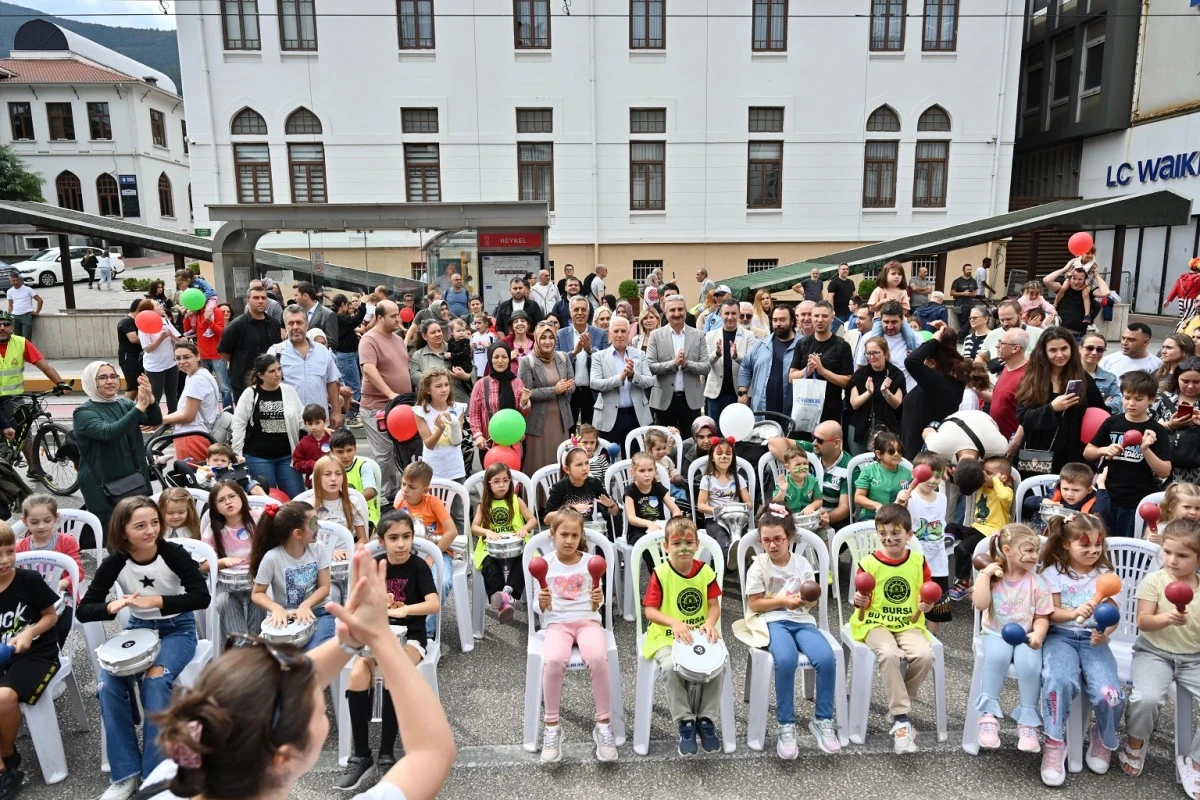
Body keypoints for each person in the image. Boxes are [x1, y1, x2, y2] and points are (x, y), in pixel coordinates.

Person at [76, 496, 209, 800]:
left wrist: (160, 602)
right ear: (123, 532)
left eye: (154, 523)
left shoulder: (171, 552)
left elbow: (201, 597)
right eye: (140, 526)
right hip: (138, 629)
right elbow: (86, 609)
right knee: (107, 683)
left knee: (155, 679)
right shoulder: (116, 560)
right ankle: (125, 775)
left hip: (179, 628)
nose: (151, 530)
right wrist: (112, 605)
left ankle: (153, 776)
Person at [337, 511, 439, 790]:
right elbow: (361, 605)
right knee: (358, 673)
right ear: (381, 541)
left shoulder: (418, 566)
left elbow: (434, 604)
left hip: (412, 638)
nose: (401, 544)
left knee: (393, 672)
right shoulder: (377, 565)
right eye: (393, 538)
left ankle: (385, 753)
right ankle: (361, 754)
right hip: (379, 635)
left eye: (406, 537)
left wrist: (405, 609)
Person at [744, 506, 840, 758]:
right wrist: (784, 601)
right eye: (766, 540)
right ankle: (785, 724)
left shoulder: (802, 563)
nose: (772, 545)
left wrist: (806, 601)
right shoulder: (759, 566)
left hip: (802, 621)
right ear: (760, 539)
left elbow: (811, 601)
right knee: (784, 661)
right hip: (772, 620)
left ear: (790, 537)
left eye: (778, 539)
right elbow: (754, 604)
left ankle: (822, 720)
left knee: (827, 659)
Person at [1036, 512, 1122, 787]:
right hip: (1061, 636)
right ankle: (1054, 741)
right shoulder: (1053, 574)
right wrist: (1073, 614)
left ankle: (1103, 736)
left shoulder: (1106, 575)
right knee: (1057, 681)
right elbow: (1051, 613)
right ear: (1065, 544)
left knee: (1109, 693)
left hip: (1094, 640)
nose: (1093, 551)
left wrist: (1105, 632)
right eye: (1084, 545)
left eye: (1097, 545)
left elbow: (1113, 614)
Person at [1120, 518, 1200, 787]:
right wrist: (1167, 618)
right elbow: (1143, 622)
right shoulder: (1154, 580)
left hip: (1194, 658)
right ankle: (1135, 740)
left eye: (1183, 555)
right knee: (1146, 698)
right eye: (1167, 552)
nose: (1173, 560)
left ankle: (1196, 761)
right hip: (1153, 652)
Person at [849, 503, 935, 754]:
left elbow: (927, 591)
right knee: (889, 654)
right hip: (874, 622)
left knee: (925, 655)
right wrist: (859, 601)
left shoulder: (918, 561)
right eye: (883, 533)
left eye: (896, 534)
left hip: (908, 622)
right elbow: (859, 596)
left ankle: (900, 703)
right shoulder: (868, 562)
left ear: (909, 535)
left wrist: (926, 605)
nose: (889, 539)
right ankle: (901, 719)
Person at [642, 516, 725, 755]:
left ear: (697, 544)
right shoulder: (660, 573)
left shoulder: (705, 572)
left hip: (698, 633)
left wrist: (710, 623)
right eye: (677, 543)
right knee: (670, 667)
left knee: (719, 664)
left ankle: (706, 719)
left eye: (689, 542)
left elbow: (713, 605)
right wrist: (674, 622)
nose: (684, 548)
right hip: (665, 635)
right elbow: (650, 611)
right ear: (666, 547)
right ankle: (685, 721)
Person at [970, 523, 1052, 751]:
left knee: (1030, 664)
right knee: (996, 657)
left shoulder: (1037, 582)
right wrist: (985, 574)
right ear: (1007, 550)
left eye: (1036, 551)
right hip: (995, 632)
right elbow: (980, 604)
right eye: (1028, 550)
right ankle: (988, 715)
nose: (1034, 556)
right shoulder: (994, 578)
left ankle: (1027, 720)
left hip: (1026, 634)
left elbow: (1042, 616)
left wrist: (1038, 634)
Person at [0, 522, 66, 796]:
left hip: (37, 654)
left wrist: (29, 632)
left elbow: (51, 616)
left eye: (10, 551)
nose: (5, 560)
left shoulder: (28, 580)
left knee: (3, 698)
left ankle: (7, 757)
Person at [1083, 371, 1171, 537]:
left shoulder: (1157, 430)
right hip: (1107, 495)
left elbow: (1164, 471)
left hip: (1137, 499)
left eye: (1138, 399)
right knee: (1103, 542)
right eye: (1127, 397)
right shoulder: (1112, 422)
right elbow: (1088, 452)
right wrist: (1104, 449)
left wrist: (1146, 449)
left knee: (1128, 545)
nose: (1131, 403)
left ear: (1151, 400)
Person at [73, 362, 154, 540]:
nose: (110, 381)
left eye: (113, 376)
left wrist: (150, 399)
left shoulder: (124, 404)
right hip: (102, 484)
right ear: (90, 382)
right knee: (116, 538)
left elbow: (153, 419)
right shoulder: (83, 413)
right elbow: (109, 432)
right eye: (102, 377)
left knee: (141, 533)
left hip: (133, 480)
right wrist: (139, 407)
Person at [1015, 327, 1106, 475]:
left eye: (1064, 348)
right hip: (1036, 454)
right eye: (1053, 350)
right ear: (1043, 352)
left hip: (1072, 454)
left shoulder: (1082, 379)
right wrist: (1052, 408)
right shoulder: (1033, 379)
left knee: (1068, 495)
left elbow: (1100, 413)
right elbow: (1024, 417)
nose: (1060, 355)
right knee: (1036, 494)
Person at [249, 499, 335, 653]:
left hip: (319, 612)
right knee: (277, 659)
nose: (318, 527)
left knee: (313, 656)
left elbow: (325, 587)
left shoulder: (318, 549)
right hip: (286, 617)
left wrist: (305, 605)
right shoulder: (272, 558)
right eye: (314, 523)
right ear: (297, 533)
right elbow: (257, 593)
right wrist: (276, 609)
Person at [391, 461, 456, 639]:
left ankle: (426, 634)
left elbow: (452, 532)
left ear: (425, 490)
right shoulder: (400, 503)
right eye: (403, 484)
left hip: (439, 553)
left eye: (411, 487)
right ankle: (401, 625)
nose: (405, 489)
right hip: (409, 555)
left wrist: (431, 556)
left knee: (440, 584)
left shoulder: (433, 502)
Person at [358, 300, 412, 501]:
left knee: (398, 454)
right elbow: (369, 369)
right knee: (383, 456)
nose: (398, 319)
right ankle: (379, 498)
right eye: (393, 316)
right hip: (377, 407)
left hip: (401, 408)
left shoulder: (398, 339)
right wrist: (390, 393)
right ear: (379, 318)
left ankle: (394, 495)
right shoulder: (369, 340)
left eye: (398, 314)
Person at [231, 354, 306, 498]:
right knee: (267, 500)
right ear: (260, 375)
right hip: (258, 457)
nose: (278, 374)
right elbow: (239, 425)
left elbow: (301, 419)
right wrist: (237, 454)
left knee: (297, 498)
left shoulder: (288, 391)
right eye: (272, 371)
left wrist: (320, 429)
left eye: (279, 369)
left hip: (287, 456)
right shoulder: (250, 393)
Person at [471, 462, 537, 623]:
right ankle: (502, 602)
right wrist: (487, 531)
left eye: (505, 480)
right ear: (488, 483)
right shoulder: (484, 505)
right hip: (491, 548)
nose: (502, 485)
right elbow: (474, 527)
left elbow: (532, 520)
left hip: (516, 545)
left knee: (525, 560)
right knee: (489, 564)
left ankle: (505, 593)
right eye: (496, 481)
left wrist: (525, 529)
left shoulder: (516, 500)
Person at [16, 494, 83, 645]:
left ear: (56, 518)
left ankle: (52, 655)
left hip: (65, 596)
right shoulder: (20, 547)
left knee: (62, 624)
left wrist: (62, 583)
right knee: (20, 625)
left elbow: (78, 571)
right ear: (24, 521)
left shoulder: (67, 542)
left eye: (47, 520)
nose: (41, 526)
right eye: (34, 522)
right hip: (32, 598)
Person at [948, 456, 1015, 598]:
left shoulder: (1005, 491)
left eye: (988, 473)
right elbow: (967, 483)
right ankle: (948, 539)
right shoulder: (982, 487)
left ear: (1003, 477)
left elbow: (1005, 497)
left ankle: (963, 581)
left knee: (961, 548)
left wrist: (995, 480)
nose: (984, 476)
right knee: (952, 526)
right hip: (976, 528)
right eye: (983, 472)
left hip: (991, 534)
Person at [900, 453, 951, 633]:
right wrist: (900, 501)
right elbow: (894, 516)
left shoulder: (942, 499)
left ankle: (932, 638)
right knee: (913, 601)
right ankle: (909, 632)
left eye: (937, 475)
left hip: (938, 563)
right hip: (915, 562)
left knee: (935, 608)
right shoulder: (909, 497)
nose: (932, 480)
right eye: (927, 475)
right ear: (915, 473)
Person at [519, 322, 575, 476]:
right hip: (538, 423)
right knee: (538, 462)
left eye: (551, 337)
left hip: (561, 420)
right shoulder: (527, 362)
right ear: (536, 339)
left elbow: (572, 383)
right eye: (543, 337)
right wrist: (554, 390)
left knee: (559, 461)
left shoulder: (563, 357)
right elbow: (526, 392)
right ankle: (538, 498)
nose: (547, 341)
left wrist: (567, 388)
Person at [646, 295, 709, 433]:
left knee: (690, 443)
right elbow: (650, 366)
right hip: (664, 400)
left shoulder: (698, 335)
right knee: (664, 443)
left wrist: (687, 364)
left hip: (691, 400)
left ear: (686, 311)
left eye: (680, 309)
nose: (677, 313)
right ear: (666, 313)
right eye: (672, 310)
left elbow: (706, 367)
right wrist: (673, 364)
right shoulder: (656, 335)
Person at [591, 316, 653, 455]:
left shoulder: (639, 354)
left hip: (635, 415)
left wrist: (632, 376)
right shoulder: (599, 356)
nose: (619, 335)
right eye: (616, 331)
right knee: (606, 460)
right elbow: (594, 383)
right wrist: (620, 378)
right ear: (610, 334)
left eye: (623, 331)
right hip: (608, 415)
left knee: (635, 459)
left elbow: (650, 381)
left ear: (628, 334)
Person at [789, 300, 853, 429]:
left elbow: (847, 381)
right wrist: (807, 371)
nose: (820, 320)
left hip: (830, 410)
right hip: (805, 408)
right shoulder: (802, 344)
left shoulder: (842, 346)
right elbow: (791, 377)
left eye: (824, 316)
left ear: (832, 318)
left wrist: (823, 371)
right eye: (816, 316)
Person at [160, 341, 222, 463]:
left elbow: (188, 416)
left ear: (198, 356)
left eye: (186, 357)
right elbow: (184, 411)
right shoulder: (198, 375)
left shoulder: (197, 380)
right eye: (177, 358)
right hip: (197, 434)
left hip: (191, 437)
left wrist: (159, 420)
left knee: (191, 477)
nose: (181, 362)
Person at [219, 285, 282, 400]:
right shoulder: (235, 326)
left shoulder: (274, 324)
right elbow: (224, 351)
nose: (260, 301)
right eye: (256, 298)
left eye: (263, 298)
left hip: (270, 383)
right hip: (244, 384)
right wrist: (241, 361)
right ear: (248, 300)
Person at [469, 341, 532, 457]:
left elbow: (524, 413)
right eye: (496, 357)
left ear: (509, 359)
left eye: (504, 357)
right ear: (490, 359)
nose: (500, 361)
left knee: (515, 475)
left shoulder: (517, 383)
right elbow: (474, 413)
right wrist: (478, 435)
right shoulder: (481, 384)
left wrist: (524, 402)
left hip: (514, 442)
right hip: (489, 444)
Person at [847, 335, 905, 454]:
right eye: (868, 353)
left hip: (887, 428)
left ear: (885, 353)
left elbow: (897, 404)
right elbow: (854, 403)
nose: (871, 357)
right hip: (860, 426)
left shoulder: (896, 374)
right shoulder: (860, 374)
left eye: (876, 353)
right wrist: (868, 393)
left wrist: (885, 392)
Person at [557, 296, 609, 430]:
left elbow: (606, 361)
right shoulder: (560, 334)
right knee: (568, 432)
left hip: (591, 392)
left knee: (591, 433)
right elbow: (556, 361)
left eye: (583, 309)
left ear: (588, 312)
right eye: (576, 309)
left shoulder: (600, 334)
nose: (580, 313)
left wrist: (590, 351)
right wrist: (574, 352)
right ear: (570, 312)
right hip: (569, 392)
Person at [738, 304, 798, 416]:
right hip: (762, 408)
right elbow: (745, 365)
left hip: (792, 410)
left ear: (792, 321)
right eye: (775, 320)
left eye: (783, 320)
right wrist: (743, 392)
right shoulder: (761, 345)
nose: (778, 324)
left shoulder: (803, 345)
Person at [295, 455, 369, 546]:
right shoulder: (308, 505)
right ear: (317, 478)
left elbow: (363, 539)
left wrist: (352, 549)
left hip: (347, 556)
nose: (333, 478)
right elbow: (305, 543)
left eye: (338, 473)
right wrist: (329, 552)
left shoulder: (353, 501)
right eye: (327, 474)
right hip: (319, 556)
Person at [696, 437, 752, 555]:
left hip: (735, 518)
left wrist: (739, 508)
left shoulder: (738, 478)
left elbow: (749, 503)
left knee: (743, 535)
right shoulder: (707, 479)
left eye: (728, 453)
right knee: (723, 536)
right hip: (715, 520)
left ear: (732, 458)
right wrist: (719, 510)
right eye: (719, 453)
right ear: (712, 457)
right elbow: (701, 505)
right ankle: (728, 557)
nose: (724, 457)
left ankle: (742, 559)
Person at [703, 298, 755, 421]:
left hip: (739, 393)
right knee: (716, 433)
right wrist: (716, 353)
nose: (730, 317)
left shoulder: (749, 336)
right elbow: (705, 363)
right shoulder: (710, 335)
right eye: (727, 313)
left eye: (733, 313)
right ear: (721, 314)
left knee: (738, 432)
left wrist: (737, 357)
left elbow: (751, 364)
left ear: (739, 315)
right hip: (716, 394)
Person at [542, 446, 619, 527]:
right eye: (579, 465)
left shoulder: (594, 483)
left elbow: (614, 512)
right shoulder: (559, 487)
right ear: (567, 469)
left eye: (587, 463)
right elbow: (546, 520)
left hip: (587, 529)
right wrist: (570, 510)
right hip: (567, 530)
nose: (585, 468)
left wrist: (611, 505)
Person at [1152, 356, 1200, 484]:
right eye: (1185, 381)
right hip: (1166, 468)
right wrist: (1169, 425)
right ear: (1176, 378)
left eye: (1196, 382)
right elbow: (1143, 426)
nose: (1190, 386)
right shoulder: (1161, 399)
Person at [409, 319, 474, 405]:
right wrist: (437, 379)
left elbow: (473, 369)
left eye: (439, 331)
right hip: (433, 405)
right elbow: (415, 377)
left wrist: (466, 376)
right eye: (433, 332)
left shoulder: (456, 347)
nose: (438, 334)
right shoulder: (418, 356)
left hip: (459, 401)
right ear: (425, 336)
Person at [853, 301, 914, 391]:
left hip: (906, 397)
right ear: (880, 320)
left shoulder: (915, 339)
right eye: (886, 322)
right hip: (875, 396)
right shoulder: (867, 338)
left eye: (894, 322)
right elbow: (860, 368)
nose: (889, 326)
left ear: (902, 320)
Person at [853, 432, 912, 521]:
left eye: (899, 451)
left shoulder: (908, 473)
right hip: (871, 516)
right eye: (891, 451)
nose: (896, 454)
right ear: (879, 454)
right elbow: (858, 497)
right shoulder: (869, 471)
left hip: (899, 517)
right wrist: (877, 506)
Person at [1043, 263, 1110, 339]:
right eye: (1074, 278)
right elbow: (1046, 280)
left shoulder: (1089, 292)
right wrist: (1065, 268)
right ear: (1070, 278)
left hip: (1078, 335)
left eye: (1080, 279)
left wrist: (1096, 275)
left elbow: (1106, 292)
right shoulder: (1062, 289)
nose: (1076, 282)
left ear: (1085, 280)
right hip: (1059, 333)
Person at [329, 294, 365, 427]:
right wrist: (363, 306)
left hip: (348, 354)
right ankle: (351, 415)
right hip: (346, 355)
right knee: (353, 386)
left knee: (353, 383)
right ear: (343, 304)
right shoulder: (339, 317)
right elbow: (355, 321)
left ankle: (351, 414)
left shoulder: (336, 318)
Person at [988, 328, 1029, 441]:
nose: (997, 346)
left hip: (1013, 444)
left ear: (1016, 348)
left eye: (1001, 343)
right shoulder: (1007, 368)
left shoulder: (1028, 376)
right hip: (999, 439)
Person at [977, 300, 1042, 363]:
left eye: (1009, 319)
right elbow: (981, 357)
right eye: (1002, 320)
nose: (1005, 323)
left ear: (1020, 315)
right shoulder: (992, 335)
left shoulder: (1039, 334)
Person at [1080, 332, 1123, 414]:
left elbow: (1117, 405)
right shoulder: (1068, 373)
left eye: (1100, 349)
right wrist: (1103, 405)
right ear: (1080, 348)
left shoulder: (1110, 378)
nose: (1094, 353)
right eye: (1090, 348)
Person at [291, 404, 331, 488]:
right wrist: (312, 464)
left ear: (325, 421)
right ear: (305, 424)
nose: (314, 427)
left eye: (317, 423)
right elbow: (296, 463)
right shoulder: (303, 443)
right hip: (313, 484)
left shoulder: (332, 439)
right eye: (310, 423)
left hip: (333, 480)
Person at [4, 272, 39, 341]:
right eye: (13, 280)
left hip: (26, 316)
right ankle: (20, 352)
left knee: (26, 339)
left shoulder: (28, 289)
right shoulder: (9, 291)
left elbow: (40, 300)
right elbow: (10, 305)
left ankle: (27, 351)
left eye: (17, 280)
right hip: (15, 316)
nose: (15, 282)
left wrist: (37, 312)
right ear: (10, 281)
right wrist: (8, 317)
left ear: (20, 280)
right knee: (17, 339)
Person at [950, 264, 980, 332]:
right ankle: (963, 337)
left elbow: (975, 293)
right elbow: (952, 293)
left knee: (973, 318)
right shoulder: (957, 281)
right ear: (963, 270)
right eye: (968, 269)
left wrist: (973, 294)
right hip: (960, 304)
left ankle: (960, 335)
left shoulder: (973, 281)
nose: (969, 271)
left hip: (970, 303)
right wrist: (963, 293)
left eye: (970, 269)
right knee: (963, 322)